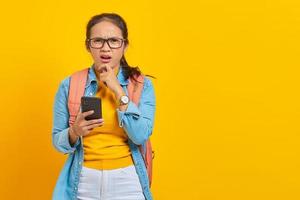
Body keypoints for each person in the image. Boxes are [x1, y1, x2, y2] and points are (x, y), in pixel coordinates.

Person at [52, 13, 156, 200]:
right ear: (88, 45)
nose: (105, 48)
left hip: (128, 180)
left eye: (114, 41)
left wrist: (118, 91)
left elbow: (140, 135)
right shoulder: (69, 85)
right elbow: (57, 142)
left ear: (124, 45)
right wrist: (74, 131)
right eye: (98, 41)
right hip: (83, 181)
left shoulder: (141, 85)